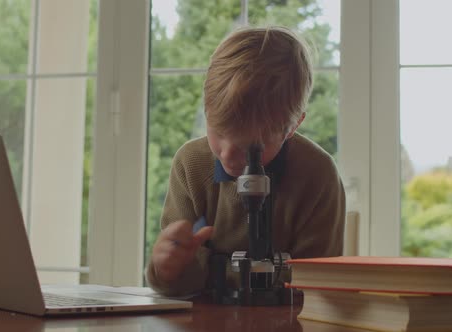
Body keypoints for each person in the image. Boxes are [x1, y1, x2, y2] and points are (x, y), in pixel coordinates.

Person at [146, 26, 345, 296]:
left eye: (250, 148)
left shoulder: (317, 175)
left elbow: (318, 284)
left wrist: (212, 269)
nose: (227, 155)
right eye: (217, 132)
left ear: (292, 127)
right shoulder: (190, 164)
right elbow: (177, 280)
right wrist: (165, 268)